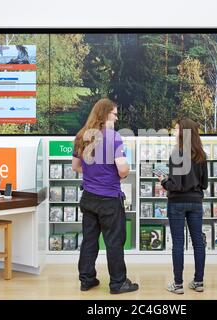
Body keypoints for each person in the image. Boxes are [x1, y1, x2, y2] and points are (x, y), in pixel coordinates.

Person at [72, 98, 139, 294]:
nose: (117, 118)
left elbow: (76, 167)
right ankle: (118, 283)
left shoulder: (82, 135)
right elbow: (122, 171)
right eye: (114, 114)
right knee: (114, 242)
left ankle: (87, 280)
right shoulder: (113, 137)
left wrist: (95, 172)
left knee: (89, 241)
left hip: (89, 198)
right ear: (104, 114)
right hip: (109, 199)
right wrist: (122, 170)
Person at [159, 118, 208, 294]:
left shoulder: (176, 154)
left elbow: (176, 185)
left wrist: (164, 181)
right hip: (195, 202)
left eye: (177, 130)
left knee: (178, 243)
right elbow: (205, 184)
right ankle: (198, 282)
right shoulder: (201, 155)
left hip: (177, 203)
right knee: (198, 243)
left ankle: (178, 285)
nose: (174, 133)